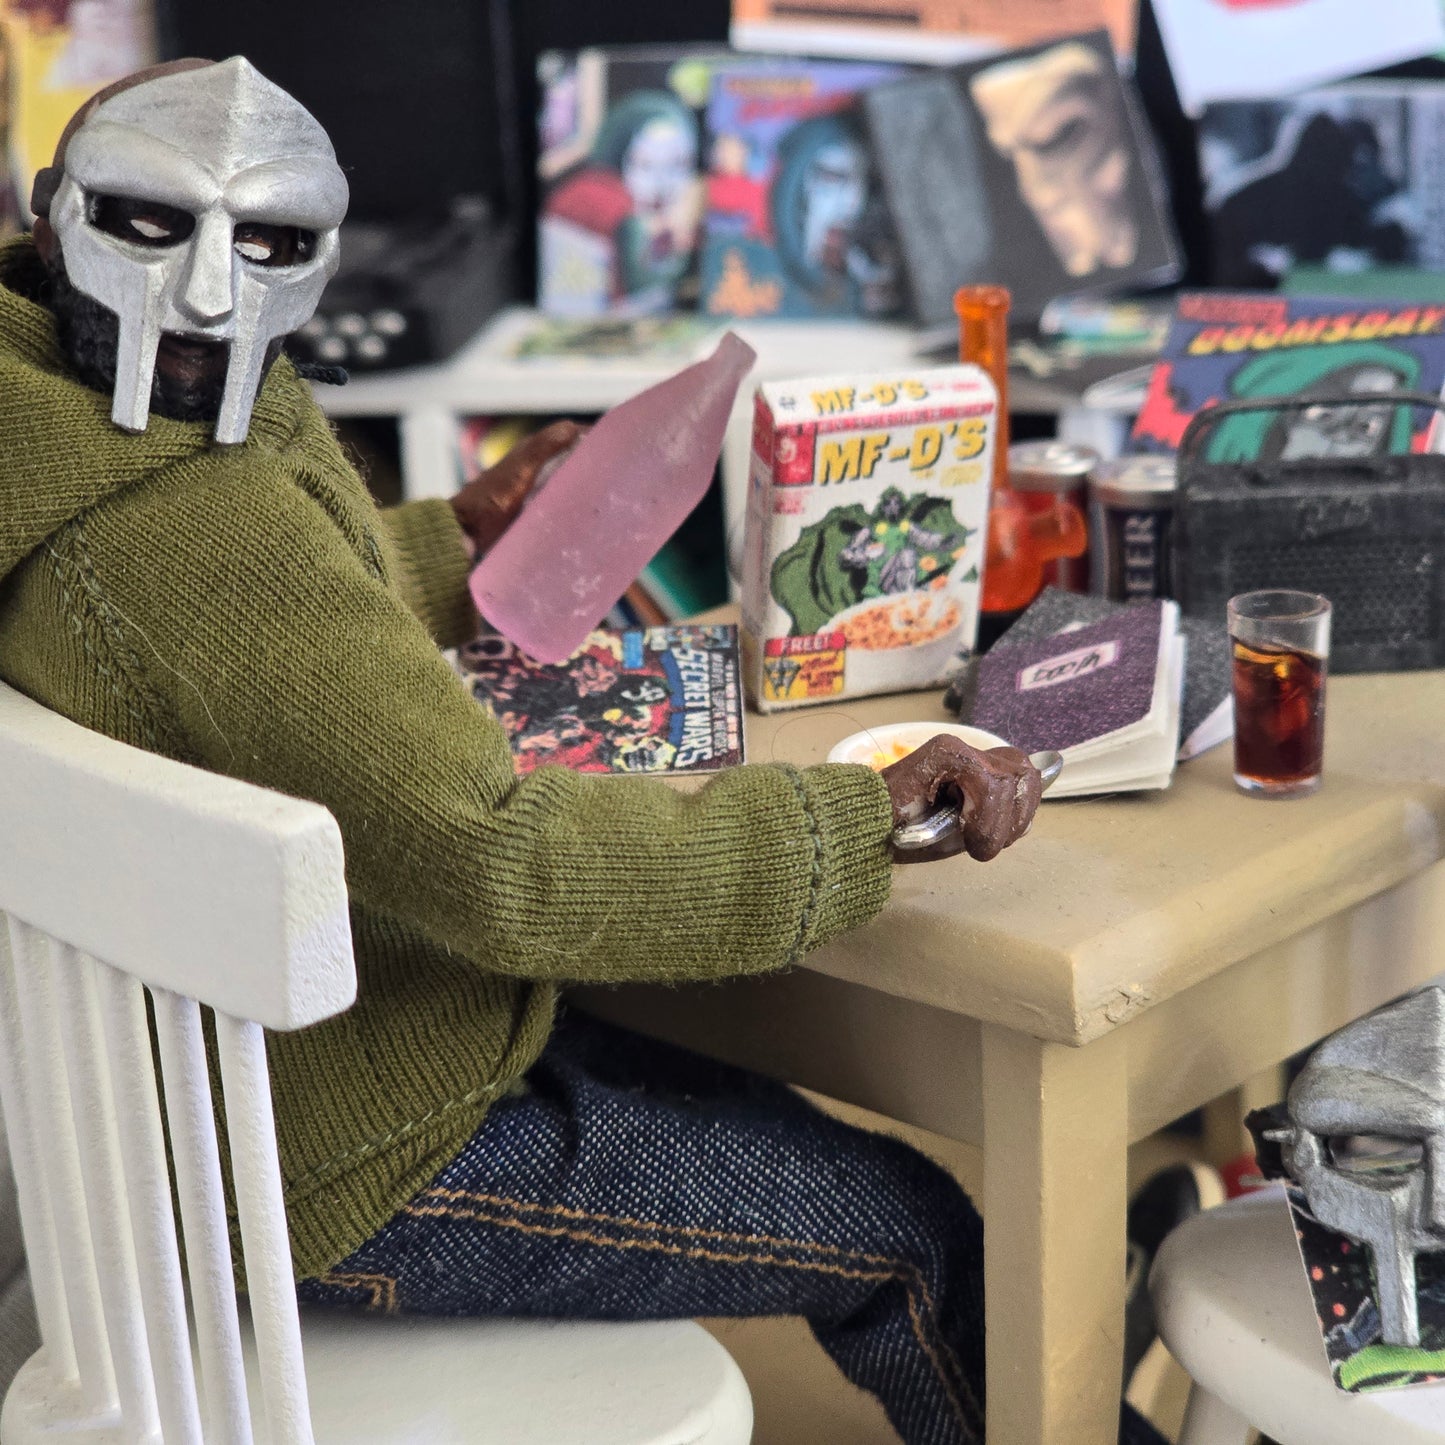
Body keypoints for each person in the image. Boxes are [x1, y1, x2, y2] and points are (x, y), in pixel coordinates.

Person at [0, 57, 1167, 1445]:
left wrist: (450, 543)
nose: (207, 293)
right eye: (149, 223)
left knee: (761, 1100)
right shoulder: (190, 518)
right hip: (341, 1152)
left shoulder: (63, 434)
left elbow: (243, 646)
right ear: (54, 210)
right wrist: (852, 815)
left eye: (266, 241)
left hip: (218, 1108)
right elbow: (504, 865)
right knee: (912, 1231)